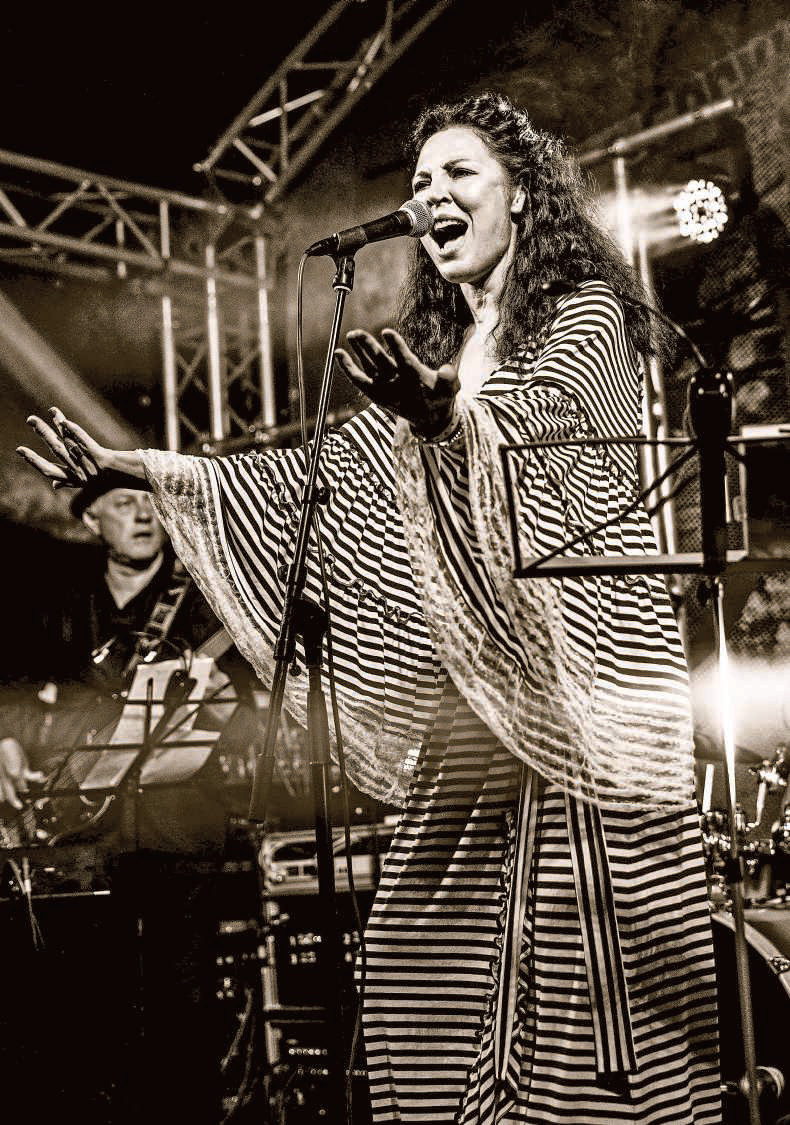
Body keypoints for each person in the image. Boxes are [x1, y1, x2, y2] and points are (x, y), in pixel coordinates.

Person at [19, 92, 721, 1124]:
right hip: (471, 705)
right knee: (407, 958)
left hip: (576, 709)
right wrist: (149, 470)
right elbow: (322, 474)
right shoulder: (442, 348)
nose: (432, 196)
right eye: (420, 182)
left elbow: (548, 417)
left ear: (524, 197)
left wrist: (448, 416)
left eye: (460, 174)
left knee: (572, 969)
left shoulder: (583, 313)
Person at [0, 475, 257, 1125]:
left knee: (184, 1002)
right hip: (80, 834)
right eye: (123, 504)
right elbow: (16, 687)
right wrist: (6, 740)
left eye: (150, 503)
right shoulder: (62, 600)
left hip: (179, 823)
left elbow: (252, 697)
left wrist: (223, 699)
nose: (143, 515)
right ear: (91, 519)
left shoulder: (204, 597)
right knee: (89, 1005)